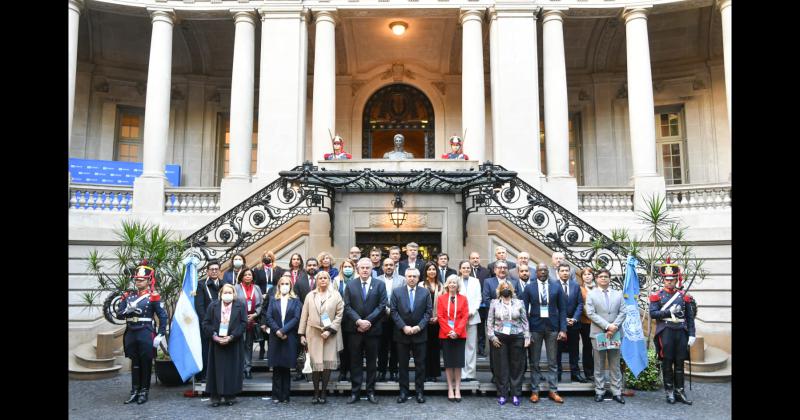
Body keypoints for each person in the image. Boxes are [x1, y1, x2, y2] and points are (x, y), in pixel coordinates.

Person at [116, 262, 168, 405]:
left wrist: (161, 334)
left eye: (141, 280)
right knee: (135, 362)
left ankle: (144, 391)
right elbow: (119, 315)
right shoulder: (128, 296)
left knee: (145, 363)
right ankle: (134, 391)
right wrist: (128, 310)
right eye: (137, 280)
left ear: (148, 281)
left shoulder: (153, 296)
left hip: (145, 331)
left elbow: (162, 316)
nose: (138, 282)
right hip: (131, 332)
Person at [650, 260, 696, 405]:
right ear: (663, 280)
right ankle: (669, 391)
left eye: (672, 279)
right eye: (667, 279)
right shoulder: (657, 296)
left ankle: (680, 391)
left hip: (681, 332)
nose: (669, 282)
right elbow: (653, 314)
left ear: (676, 280)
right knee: (667, 362)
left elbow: (689, 317)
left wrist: (692, 334)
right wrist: (668, 312)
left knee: (680, 363)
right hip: (666, 331)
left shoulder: (684, 296)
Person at [343, 258, 388, 404]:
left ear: (371, 269)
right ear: (357, 268)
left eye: (367, 268)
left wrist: (368, 321)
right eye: (362, 267)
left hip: (373, 330)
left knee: (371, 362)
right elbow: (347, 306)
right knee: (355, 362)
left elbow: (382, 305)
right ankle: (355, 392)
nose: (364, 270)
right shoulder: (350, 285)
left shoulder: (380, 284)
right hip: (354, 330)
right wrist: (359, 321)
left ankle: (370, 391)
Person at [521, 262, 567, 404]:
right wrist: (526, 331)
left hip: (552, 328)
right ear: (536, 273)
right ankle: (535, 391)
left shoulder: (556, 287)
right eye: (540, 270)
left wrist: (563, 329)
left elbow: (563, 309)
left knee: (553, 361)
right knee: (534, 362)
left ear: (548, 272)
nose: (542, 272)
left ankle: (553, 390)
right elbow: (523, 310)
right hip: (535, 328)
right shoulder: (529, 288)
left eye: (544, 270)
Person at [299, 271, 345, 404]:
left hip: (329, 335)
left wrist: (330, 330)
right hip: (313, 333)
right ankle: (315, 392)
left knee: (326, 364)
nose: (323, 280)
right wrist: (301, 334)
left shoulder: (336, 295)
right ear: (317, 280)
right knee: (315, 364)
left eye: (325, 278)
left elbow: (339, 315)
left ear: (329, 280)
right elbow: (304, 315)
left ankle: (324, 392)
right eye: (320, 278)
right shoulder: (310, 295)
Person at [390, 267, 432, 404]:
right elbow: (394, 312)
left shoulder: (425, 293)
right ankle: (403, 392)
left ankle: (420, 392)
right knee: (402, 365)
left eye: (414, 276)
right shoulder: (397, 292)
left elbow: (428, 312)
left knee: (420, 365)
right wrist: (404, 327)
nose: (412, 278)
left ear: (418, 278)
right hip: (402, 334)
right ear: (405, 277)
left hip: (420, 334)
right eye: (409, 276)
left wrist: (418, 327)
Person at [585, 268, 626, 404]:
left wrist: (613, 327)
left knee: (615, 364)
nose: (603, 279)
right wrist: (607, 326)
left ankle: (617, 392)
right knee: (599, 364)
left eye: (606, 276)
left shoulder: (618, 294)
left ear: (609, 279)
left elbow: (623, 312)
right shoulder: (591, 294)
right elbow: (590, 313)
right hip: (599, 334)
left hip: (615, 333)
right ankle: (599, 391)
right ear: (596, 279)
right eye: (601, 276)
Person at [202, 283, 247, 407]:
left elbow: (243, 324)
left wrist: (231, 337)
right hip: (216, 343)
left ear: (234, 294)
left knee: (231, 369)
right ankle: (215, 397)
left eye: (230, 292)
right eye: (225, 292)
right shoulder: (213, 305)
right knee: (215, 369)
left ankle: (230, 395)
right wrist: (214, 336)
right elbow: (206, 323)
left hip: (233, 342)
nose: (227, 295)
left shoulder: (240, 306)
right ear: (220, 294)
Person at [486, 281, 530, 406]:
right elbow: (490, 321)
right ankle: (502, 394)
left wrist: (527, 336)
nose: (506, 289)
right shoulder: (494, 303)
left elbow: (525, 321)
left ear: (512, 290)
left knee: (517, 367)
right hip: (499, 338)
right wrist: (492, 337)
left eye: (508, 288)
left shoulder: (519, 302)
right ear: (499, 290)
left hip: (517, 337)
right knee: (501, 367)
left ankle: (516, 394)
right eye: (503, 288)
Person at [264, 273, 302, 404]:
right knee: (276, 367)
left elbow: (296, 318)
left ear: (290, 285)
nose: (284, 286)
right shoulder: (273, 299)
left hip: (289, 336)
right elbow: (268, 317)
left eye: (287, 284)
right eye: (282, 284)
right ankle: (275, 395)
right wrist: (277, 330)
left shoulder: (296, 300)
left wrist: (284, 330)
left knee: (286, 367)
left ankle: (285, 395)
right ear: (278, 286)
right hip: (275, 336)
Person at [438, 275, 469, 402]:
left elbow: (465, 316)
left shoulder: (463, 299)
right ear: (447, 284)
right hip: (446, 334)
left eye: (454, 283)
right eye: (450, 282)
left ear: (457, 285)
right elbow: (440, 316)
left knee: (458, 363)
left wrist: (456, 331)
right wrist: (449, 331)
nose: (452, 285)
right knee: (449, 363)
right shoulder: (441, 298)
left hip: (459, 335)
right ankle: (450, 388)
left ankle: (458, 389)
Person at [555, 263, 588, 383]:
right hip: (559, 324)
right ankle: (557, 373)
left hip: (574, 324)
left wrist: (574, 318)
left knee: (574, 350)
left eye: (566, 271)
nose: (564, 273)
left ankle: (575, 374)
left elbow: (580, 304)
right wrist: (563, 319)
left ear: (570, 272)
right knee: (557, 351)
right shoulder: (553, 285)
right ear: (558, 273)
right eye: (562, 271)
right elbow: (553, 305)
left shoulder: (576, 286)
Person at [194, 259, 224, 382]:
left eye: (216, 269)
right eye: (211, 269)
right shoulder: (201, 285)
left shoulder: (224, 284)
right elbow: (199, 307)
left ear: (220, 271)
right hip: (206, 324)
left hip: (223, 323)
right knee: (206, 350)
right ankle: (205, 375)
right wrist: (206, 323)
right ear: (207, 272)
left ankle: (219, 375)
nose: (214, 271)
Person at [377, 258, 405, 382]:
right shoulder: (377, 280)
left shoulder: (402, 279)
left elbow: (404, 298)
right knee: (382, 347)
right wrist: (385, 309)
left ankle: (394, 371)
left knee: (395, 346)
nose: (388, 267)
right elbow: (375, 299)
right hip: (381, 318)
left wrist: (393, 310)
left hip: (396, 319)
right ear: (382, 267)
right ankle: (381, 371)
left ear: (394, 266)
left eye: (391, 265)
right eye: (386, 265)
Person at [254, 250, 284, 361]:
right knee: (262, 322)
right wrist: (260, 294)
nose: (267, 258)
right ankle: (261, 348)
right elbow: (255, 283)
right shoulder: (257, 270)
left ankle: (271, 349)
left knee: (272, 321)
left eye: (269, 256)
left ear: (273, 258)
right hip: (261, 297)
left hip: (274, 296)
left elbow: (280, 283)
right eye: (265, 256)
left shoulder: (278, 269)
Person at [234, 268, 263, 379]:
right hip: (239, 321)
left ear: (252, 276)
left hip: (252, 321)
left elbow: (261, 304)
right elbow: (233, 303)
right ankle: (239, 369)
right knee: (239, 345)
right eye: (245, 274)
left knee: (249, 346)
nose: (247, 276)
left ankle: (248, 369)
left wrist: (255, 314)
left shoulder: (257, 288)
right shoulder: (236, 288)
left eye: (249, 275)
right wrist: (243, 317)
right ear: (241, 276)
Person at [457, 260, 481, 383]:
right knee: (460, 346)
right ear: (460, 269)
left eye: (468, 268)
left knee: (471, 346)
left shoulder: (476, 281)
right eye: (464, 268)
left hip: (472, 317)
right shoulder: (456, 281)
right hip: (458, 320)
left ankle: (470, 373)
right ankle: (461, 373)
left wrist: (471, 311)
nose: (466, 269)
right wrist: (462, 314)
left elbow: (478, 298)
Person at [333, 259, 356, 382]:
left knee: (354, 347)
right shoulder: (337, 280)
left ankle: (353, 372)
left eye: (350, 266)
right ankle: (343, 371)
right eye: (345, 266)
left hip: (355, 317)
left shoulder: (357, 279)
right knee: (343, 347)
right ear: (341, 268)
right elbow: (334, 297)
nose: (347, 268)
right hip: (341, 318)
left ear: (353, 268)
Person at [422, 261, 444, 382]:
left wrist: (438, 317)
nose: (431, 271)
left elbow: (444, 305)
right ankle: (425, 373)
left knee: (435, 348)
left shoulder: (442, 286)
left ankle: (434, 373)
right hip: (423, 322)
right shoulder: (421, 285)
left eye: (433, 269)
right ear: (425, 271)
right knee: (424, 348)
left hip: (437, 322)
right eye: (429, 269)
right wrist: (426, 317)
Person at [468, 252, 491, 357]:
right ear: (469, 259)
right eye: (473, 258)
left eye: (477, 258)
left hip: (482, 306)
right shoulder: (466, 271)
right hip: (469, 305)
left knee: (481, 328)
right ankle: (469, 349)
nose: (475, 260)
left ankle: (481, 349)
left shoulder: (486, 272)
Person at [577, 267, 596, 381]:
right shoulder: (580, 289)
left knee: (598, 348)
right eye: (585, 274)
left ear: (593, 276)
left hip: (600, 323)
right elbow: (580, 305)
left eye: (589, 274)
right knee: (588, 347)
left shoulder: (599, 288)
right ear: (582, 277)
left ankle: (598, 371)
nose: (587, 276)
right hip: (586, 322)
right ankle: (589, 372)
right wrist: (591, 315)